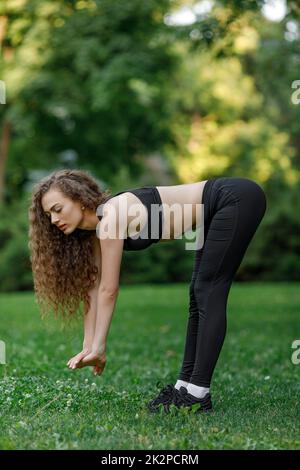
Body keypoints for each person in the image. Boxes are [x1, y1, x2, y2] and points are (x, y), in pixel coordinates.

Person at [28, 169, 267, 414]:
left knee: (207, 290)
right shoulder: (94, 232)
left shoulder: (111, 216)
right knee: (198, 295)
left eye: (57, 209)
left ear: (79, 199)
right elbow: (93, 287)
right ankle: (184, 388)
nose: (54, 220)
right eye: (48, 215)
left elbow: (109, 290)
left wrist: (101, 346)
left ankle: (197, 394)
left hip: (234, 199)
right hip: (214, 212)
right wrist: (90, 347)